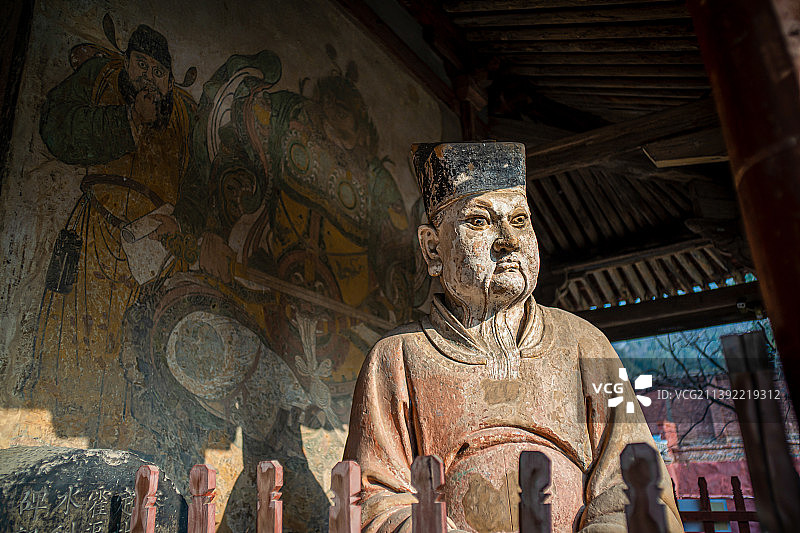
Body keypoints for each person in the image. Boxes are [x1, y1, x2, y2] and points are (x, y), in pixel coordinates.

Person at [343, 142, 684, 532]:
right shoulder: (396, 357)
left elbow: (637, 472)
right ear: (432, 248)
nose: (508, 239)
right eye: (479, 221)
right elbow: (373, 496)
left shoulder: (587, 343)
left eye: (520, 220)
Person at [28, 23, 197, 444]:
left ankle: (125, 435)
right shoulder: (102, 77)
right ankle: (59, 435)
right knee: (75, 333)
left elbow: (199, 184)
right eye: (141, 65)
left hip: (155, 249)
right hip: (96, 230)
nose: (148, 79)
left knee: (141, 346)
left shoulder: (182, 114)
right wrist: (125, 121)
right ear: (126, 62)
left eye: (159, 72)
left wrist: (184, 223)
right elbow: (56, 125)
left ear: (171, 79)